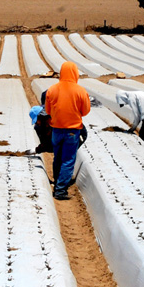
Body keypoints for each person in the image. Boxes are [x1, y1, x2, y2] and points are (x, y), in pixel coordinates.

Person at [45, 62, 91, 200]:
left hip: (56, 130)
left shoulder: (52, 90)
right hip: (72, 130)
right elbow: (85, 111)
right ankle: (60, 190)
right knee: (68, 160)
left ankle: (56, 181)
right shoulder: (80, 91)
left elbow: (47, 110)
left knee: (57, 157)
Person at [115, 90, 144, 154]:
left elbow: (137, 115)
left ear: (123, 98)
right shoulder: (136, 93)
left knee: (143, 135)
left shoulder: (131, 98)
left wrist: (132, 128)